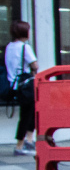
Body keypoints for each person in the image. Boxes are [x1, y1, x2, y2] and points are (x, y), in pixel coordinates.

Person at [5, 20, 38, 156]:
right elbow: (35, 65)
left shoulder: (9, 47)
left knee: (29, 112)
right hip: (26, 85)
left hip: (14, 84)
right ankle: (20, 145)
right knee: (27, 114)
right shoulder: (25, 47)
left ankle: (29, 140)